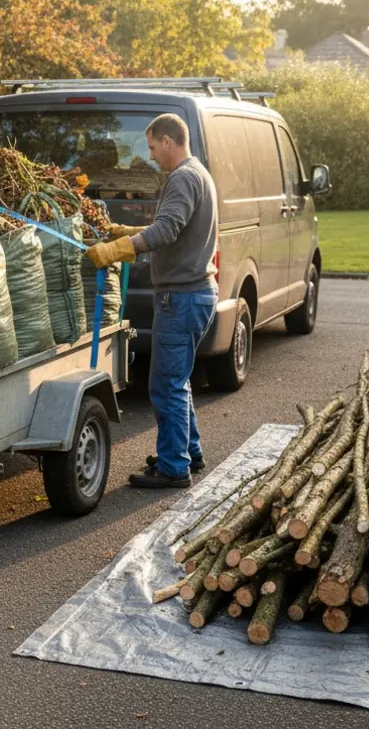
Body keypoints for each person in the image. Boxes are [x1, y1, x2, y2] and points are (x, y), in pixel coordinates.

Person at [86, 113, 218, 489]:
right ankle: (188, 453)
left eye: (153, 147)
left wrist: (118, 248)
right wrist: (128, 231)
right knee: (178, 380)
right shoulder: (198, 174)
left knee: (166, 385)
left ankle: (173, 468)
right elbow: (176, 228)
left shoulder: (182, 177)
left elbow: (167, 228)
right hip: (196, 294)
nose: (152, 155)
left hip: (181, 298)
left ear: (169, 141)